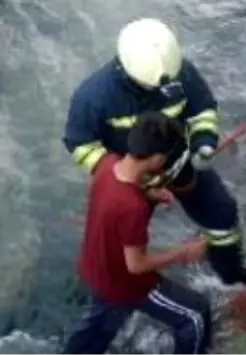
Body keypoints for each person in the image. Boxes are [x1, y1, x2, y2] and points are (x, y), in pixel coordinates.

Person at [63, 18, 246, 287]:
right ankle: (124, 294)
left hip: (181, 165)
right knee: (120, 248)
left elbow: (202, 109)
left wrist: (204, 143)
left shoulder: (179, 73)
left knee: (222, 215)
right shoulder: (92, 98)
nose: (161, 91)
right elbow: (81, 145)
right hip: (131, 181)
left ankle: (233, 277)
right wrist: (130, 179)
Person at [63, 112, 213, 355]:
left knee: (96, 329)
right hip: (126, 285)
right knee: (195, 315)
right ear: (156, 159)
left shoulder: (107, 165)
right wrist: (184, 253)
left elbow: (115, 197)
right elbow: (136, 265)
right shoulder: (133, 208)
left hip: (96, 269)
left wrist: (148, 192)